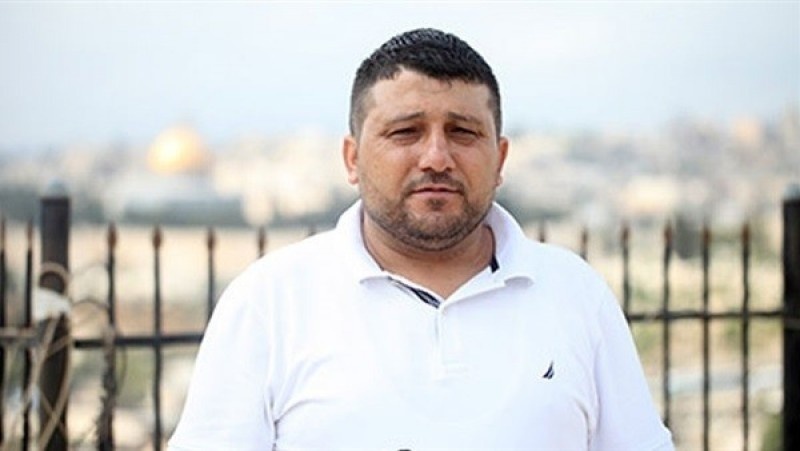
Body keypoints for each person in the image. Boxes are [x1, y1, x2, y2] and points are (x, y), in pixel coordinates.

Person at [169, 28, 674, 450]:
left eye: (462, 132)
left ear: (499, 159)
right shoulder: (268, 302)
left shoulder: (577, 295)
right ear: (352, 158)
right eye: (406, 132)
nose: (436, 158)